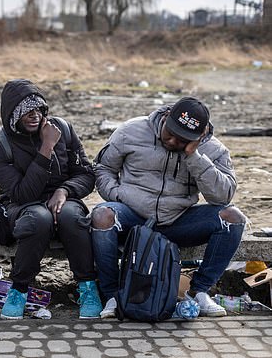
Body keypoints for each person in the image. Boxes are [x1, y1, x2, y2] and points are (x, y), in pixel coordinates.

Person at [92, 96, 246, 318]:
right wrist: (117, 194)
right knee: (102, 215)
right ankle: (112, 296)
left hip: (178, 222)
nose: (173, 142)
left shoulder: (213, 150)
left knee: (232, 217)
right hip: (132, 217)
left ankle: (198, 292)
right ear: (166, 117)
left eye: (183, 140)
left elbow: (222, 196)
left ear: (198, 136)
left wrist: (194, 156)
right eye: (170, 133)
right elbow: (103, 168)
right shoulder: (131, 131)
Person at [0, 79, 102, 319]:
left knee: (71, 216)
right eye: (26, 111)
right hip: (23, 205)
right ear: (12, 115)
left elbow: (87, 175)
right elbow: (21, 193)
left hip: (63, 199)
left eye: (38, 109)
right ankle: (19, 289)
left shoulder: (63, 129)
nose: (34, 115)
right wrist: (47, 147)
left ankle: (87, 287)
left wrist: (64, 191)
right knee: (39, 219)